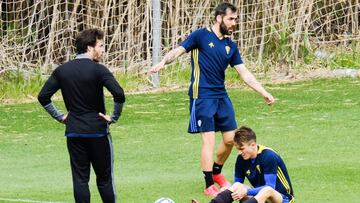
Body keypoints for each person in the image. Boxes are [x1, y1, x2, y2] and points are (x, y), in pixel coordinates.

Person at [150, 2, 275, 197]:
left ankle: (216, 172)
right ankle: (209, 184)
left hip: (221, 96)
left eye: (235, 19)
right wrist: (163, 62)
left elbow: (245, 73)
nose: (234, 23)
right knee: (208, 140)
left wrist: (263, 92)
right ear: (219, 18)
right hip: (202, 95)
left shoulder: (230, 46)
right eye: (230, 19)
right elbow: (179, 50)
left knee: (230, 139)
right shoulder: (200, 36)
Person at [38, 28, 125, 203]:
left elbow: (43, 96)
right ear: (89, 47)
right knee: (105, 179)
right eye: (100, 46)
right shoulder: (99, 70)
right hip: (98, 132)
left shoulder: (62, 70)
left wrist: (61, 117)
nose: (103, 50)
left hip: (74, 133)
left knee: (80, 180)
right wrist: (113, 117)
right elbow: (119, 94)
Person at [192, 126, 295, 203]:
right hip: (261, 198)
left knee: (266, 190)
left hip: (283, 199)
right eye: (238, 149)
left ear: (253, 145)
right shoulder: (241, 159)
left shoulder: (268, 156)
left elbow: (270, 187)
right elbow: (237, 183)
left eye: (242, 149)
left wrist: (246, 192)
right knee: (237, 186)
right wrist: (226, 191)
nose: (240, 152)